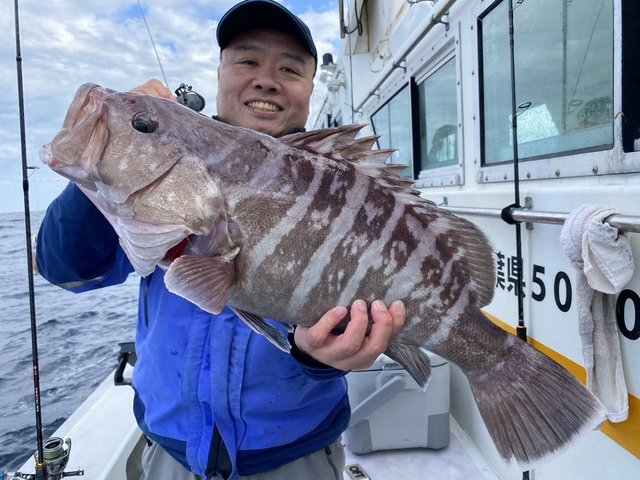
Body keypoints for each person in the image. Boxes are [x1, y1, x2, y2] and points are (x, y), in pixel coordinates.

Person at [36, 1, 406, 479]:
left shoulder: (339, 187)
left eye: (289, 69)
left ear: (311, 88)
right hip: (170, 454)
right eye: (247, 60)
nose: (266, 80)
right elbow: (67, 270)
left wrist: (322, 358)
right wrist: (106, 164)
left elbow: (354, 311)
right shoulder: (166, 178)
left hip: (296, 456)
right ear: (219, 74)